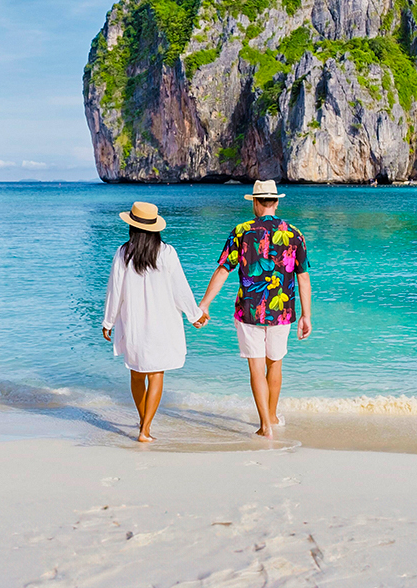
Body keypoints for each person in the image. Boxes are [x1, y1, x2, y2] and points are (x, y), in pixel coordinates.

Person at [196, 180, 312, 438]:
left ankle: (265, 426)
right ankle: (272, 415)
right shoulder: (294, 233)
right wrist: (307, 315)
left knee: (256, 367)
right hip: (282, 311)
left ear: (256, 203)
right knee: (276, 364)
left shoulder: (241, 231)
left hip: (248, 310)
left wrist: (204, 304)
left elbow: (224, 269)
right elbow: (303, 277)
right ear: (277, 202)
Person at [101, 201, 209, 442]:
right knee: (156, 374)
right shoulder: (167, 253)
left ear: (132, 227)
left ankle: (143, 421)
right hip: (162, 324)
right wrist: (195, 315)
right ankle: (145, 429)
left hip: (134, 324)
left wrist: (108, 321)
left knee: (137, 374)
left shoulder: (123, 253)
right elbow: (180, 289)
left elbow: (114, 291)